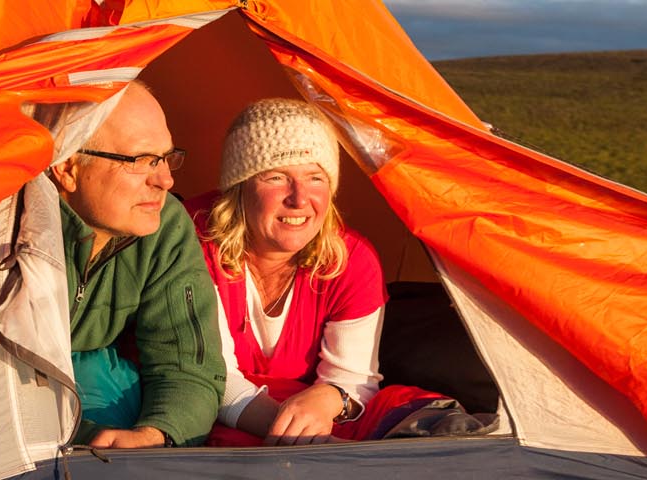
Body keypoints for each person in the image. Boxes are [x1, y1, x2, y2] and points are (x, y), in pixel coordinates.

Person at [187, 98, 468, 447]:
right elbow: (211, 378)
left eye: (315, 178)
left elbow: (354, 379)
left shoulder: (352, 258)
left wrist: (331, 398)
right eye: (276, 177)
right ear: (239, 187)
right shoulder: (194, 244)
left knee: (410, 409)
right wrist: (308, 440)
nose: (299, 198)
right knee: (212, 431)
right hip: (220, 405)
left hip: (307, 409)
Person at [38, 82, 224, 448]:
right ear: (68, 168)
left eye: (167, 158)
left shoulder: (163, 224)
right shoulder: (9, 226)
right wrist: (89, 442)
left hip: (87, 383)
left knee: (108, 384)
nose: (165, 180)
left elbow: (188, 363)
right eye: (141, 161)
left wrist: (156, 435)